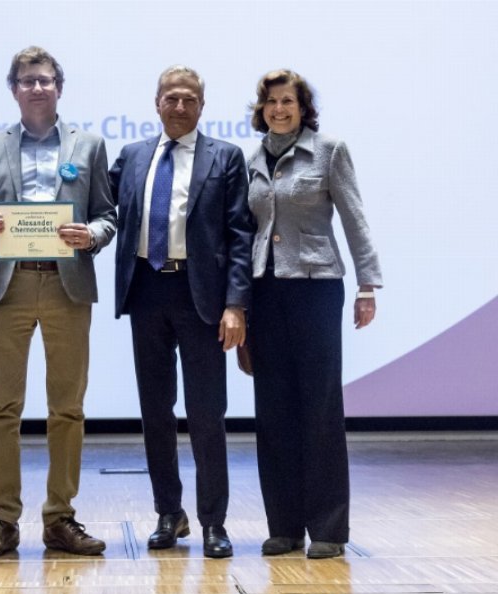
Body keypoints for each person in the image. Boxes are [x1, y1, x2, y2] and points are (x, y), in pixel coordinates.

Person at [0, 46, 116, 559]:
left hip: (66, 284)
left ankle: (60, 518)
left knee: (67, 408)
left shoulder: (89, 144)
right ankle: (2, 520)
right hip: (8, 286)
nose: (36, 88)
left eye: (45, 80)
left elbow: (108, 215)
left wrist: (90, 234)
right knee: (1, 408)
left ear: (59, 87)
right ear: (14, 89)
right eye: (27, 80)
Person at [109, 65, 254, 559]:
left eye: (189, 98)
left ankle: (214, 521)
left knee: (206, 413)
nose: (180, 106)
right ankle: (168, 512)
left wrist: (236, 304)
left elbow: (239, 237)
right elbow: (102, 212)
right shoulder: (130, 156)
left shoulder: (226, 157)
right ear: (156, 103)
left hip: (203, 300)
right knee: (155, 412)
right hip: (146, 291)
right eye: (171, 97)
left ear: (202, 105)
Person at [246, 69, 383, 559]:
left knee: (319, 408)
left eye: (289, 101)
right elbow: (245, 232)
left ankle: (328, 529)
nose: (279, 109)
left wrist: (368, 285)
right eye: (271, 102)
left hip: (316, 289)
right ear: (260, 109)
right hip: (264, 294)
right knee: (274, 410)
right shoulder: (249, 158)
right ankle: (282, 526)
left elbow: (354, 217)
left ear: (304, 108)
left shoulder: (329, 150)